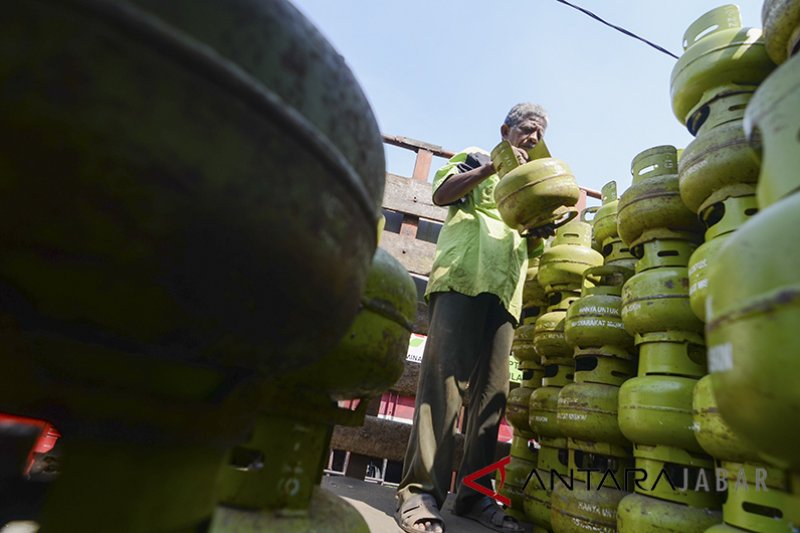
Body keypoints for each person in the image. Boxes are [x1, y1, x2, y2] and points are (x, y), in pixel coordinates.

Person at [395, 103, 550, 533]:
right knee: (442, 387)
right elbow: (441, 194)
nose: (534, 139)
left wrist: (539, 229)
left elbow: (531, 247)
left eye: (541, 134)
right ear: (507, 130)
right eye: (529, 130)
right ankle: (419, 494)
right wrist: (488, 170)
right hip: (463, 277)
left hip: (504, 293)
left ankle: (476, 500)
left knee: (490, 402)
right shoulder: (475, 156)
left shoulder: (532, 185)